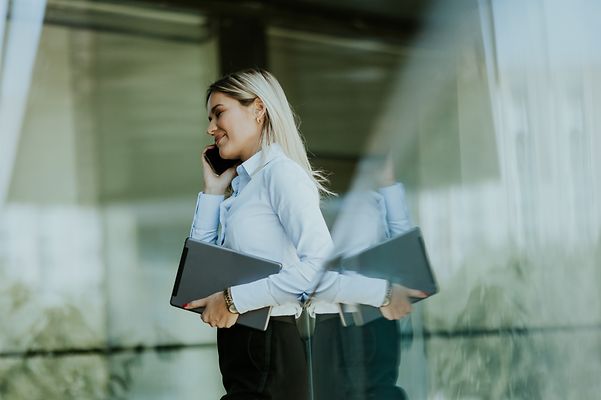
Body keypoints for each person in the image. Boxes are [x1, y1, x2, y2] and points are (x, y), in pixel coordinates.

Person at [183, 68, 423, 400]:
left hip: (269, 340)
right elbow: (201, 280)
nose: (211, 128)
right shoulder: (243, 189)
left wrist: (233, 299)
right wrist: (211, 193)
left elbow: (317, 268)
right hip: (244, 341)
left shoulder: (281, 175)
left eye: (219, 113)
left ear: (258, 109)